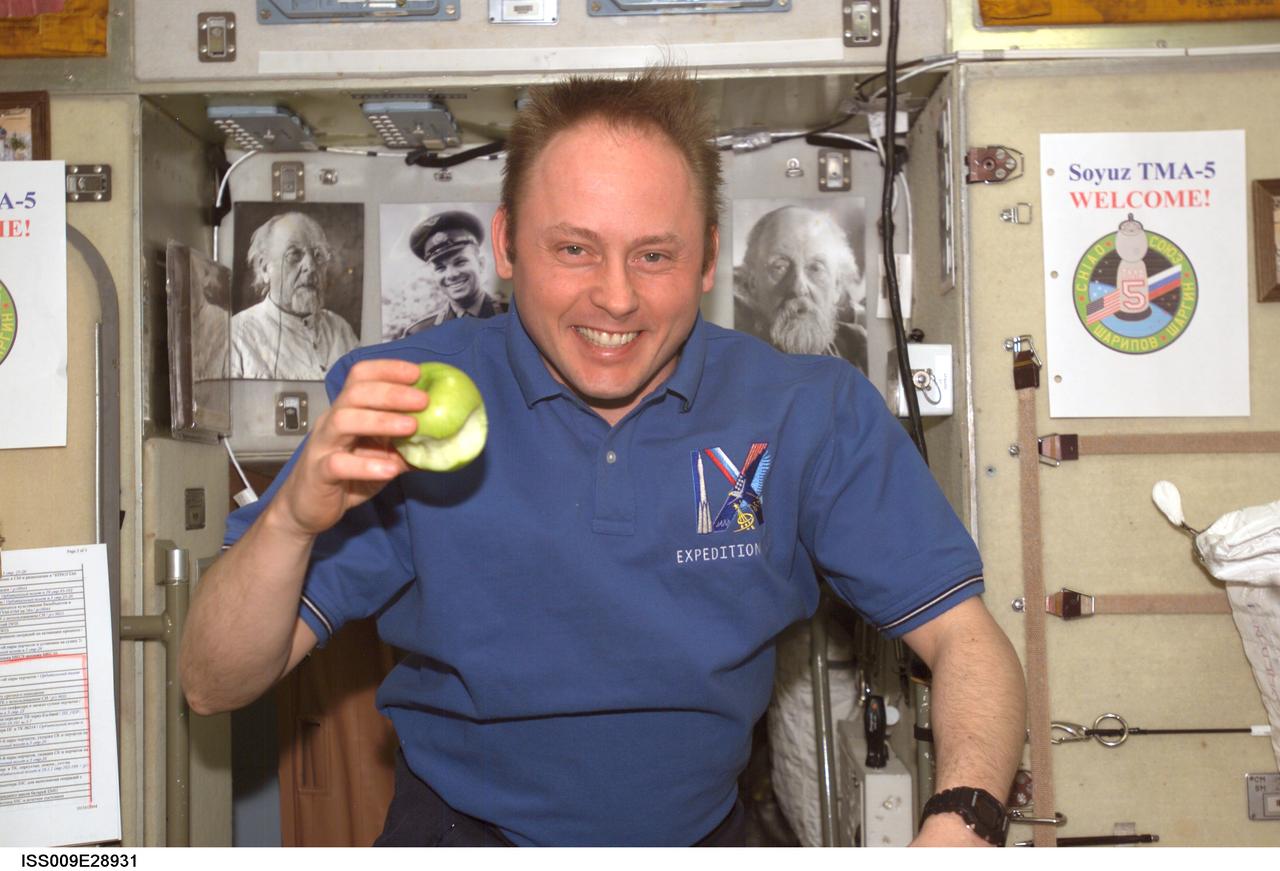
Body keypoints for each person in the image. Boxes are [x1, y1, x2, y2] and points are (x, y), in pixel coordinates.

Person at [181, 67, 1025, 847]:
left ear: (704, 258)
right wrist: (290, 523)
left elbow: (968, 642)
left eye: (654, 254)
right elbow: (212, 681)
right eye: (574, 248)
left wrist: (963, 820)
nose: (616, 297)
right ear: (507, 246)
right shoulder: (403, 400)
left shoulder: (811, 409)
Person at [733, 205, 868, 371]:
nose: (798, 287)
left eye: (816, 268)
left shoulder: (859, 348)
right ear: (752, 283)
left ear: (837, 287)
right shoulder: (734, 363)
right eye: (779, 266)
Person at [230, 211, 358, 380]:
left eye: (318, 255)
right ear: (264, 268)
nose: (311, 267)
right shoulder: (237, 334)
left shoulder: (340, 329)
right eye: (294, 255)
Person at [395, 210, 507, 338]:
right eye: (440, 268)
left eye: (460, 262)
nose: (451, 274)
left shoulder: (515, 320)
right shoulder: (419, 334)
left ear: (481, 264)